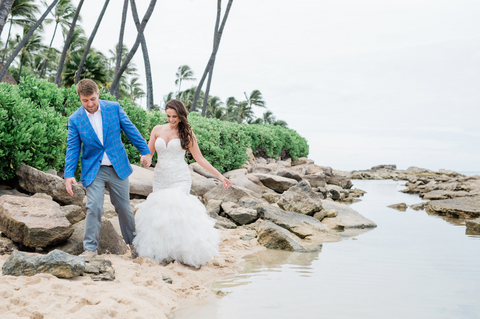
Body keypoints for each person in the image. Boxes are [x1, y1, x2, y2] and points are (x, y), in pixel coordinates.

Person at [133, 99, 232, 268]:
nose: (171, 119)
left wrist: (220, 176)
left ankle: (183, 252)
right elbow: (148, 154)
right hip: (160, 177)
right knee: (160, 214)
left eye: (175, 116)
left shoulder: (187, 134)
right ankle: (164, 251)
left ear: (181, 116)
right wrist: (145, 160)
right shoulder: (157, 129)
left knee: (177, 210)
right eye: (169, 116)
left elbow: (199, 159)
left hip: (179, 177)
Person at [64, 79, 151, 258]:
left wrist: (145, 151)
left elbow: (130, 130)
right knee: (94, 206)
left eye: (93, 99)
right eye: (85, 100)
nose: (90, 104)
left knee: (124, 208)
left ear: (98, 93)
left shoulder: (114, 108)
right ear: (80, 98)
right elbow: (73, 148)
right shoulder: (75, 119)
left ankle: (134, 246)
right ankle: (90, 249)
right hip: (93, 170)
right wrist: (68, 174)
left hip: (117, 166)